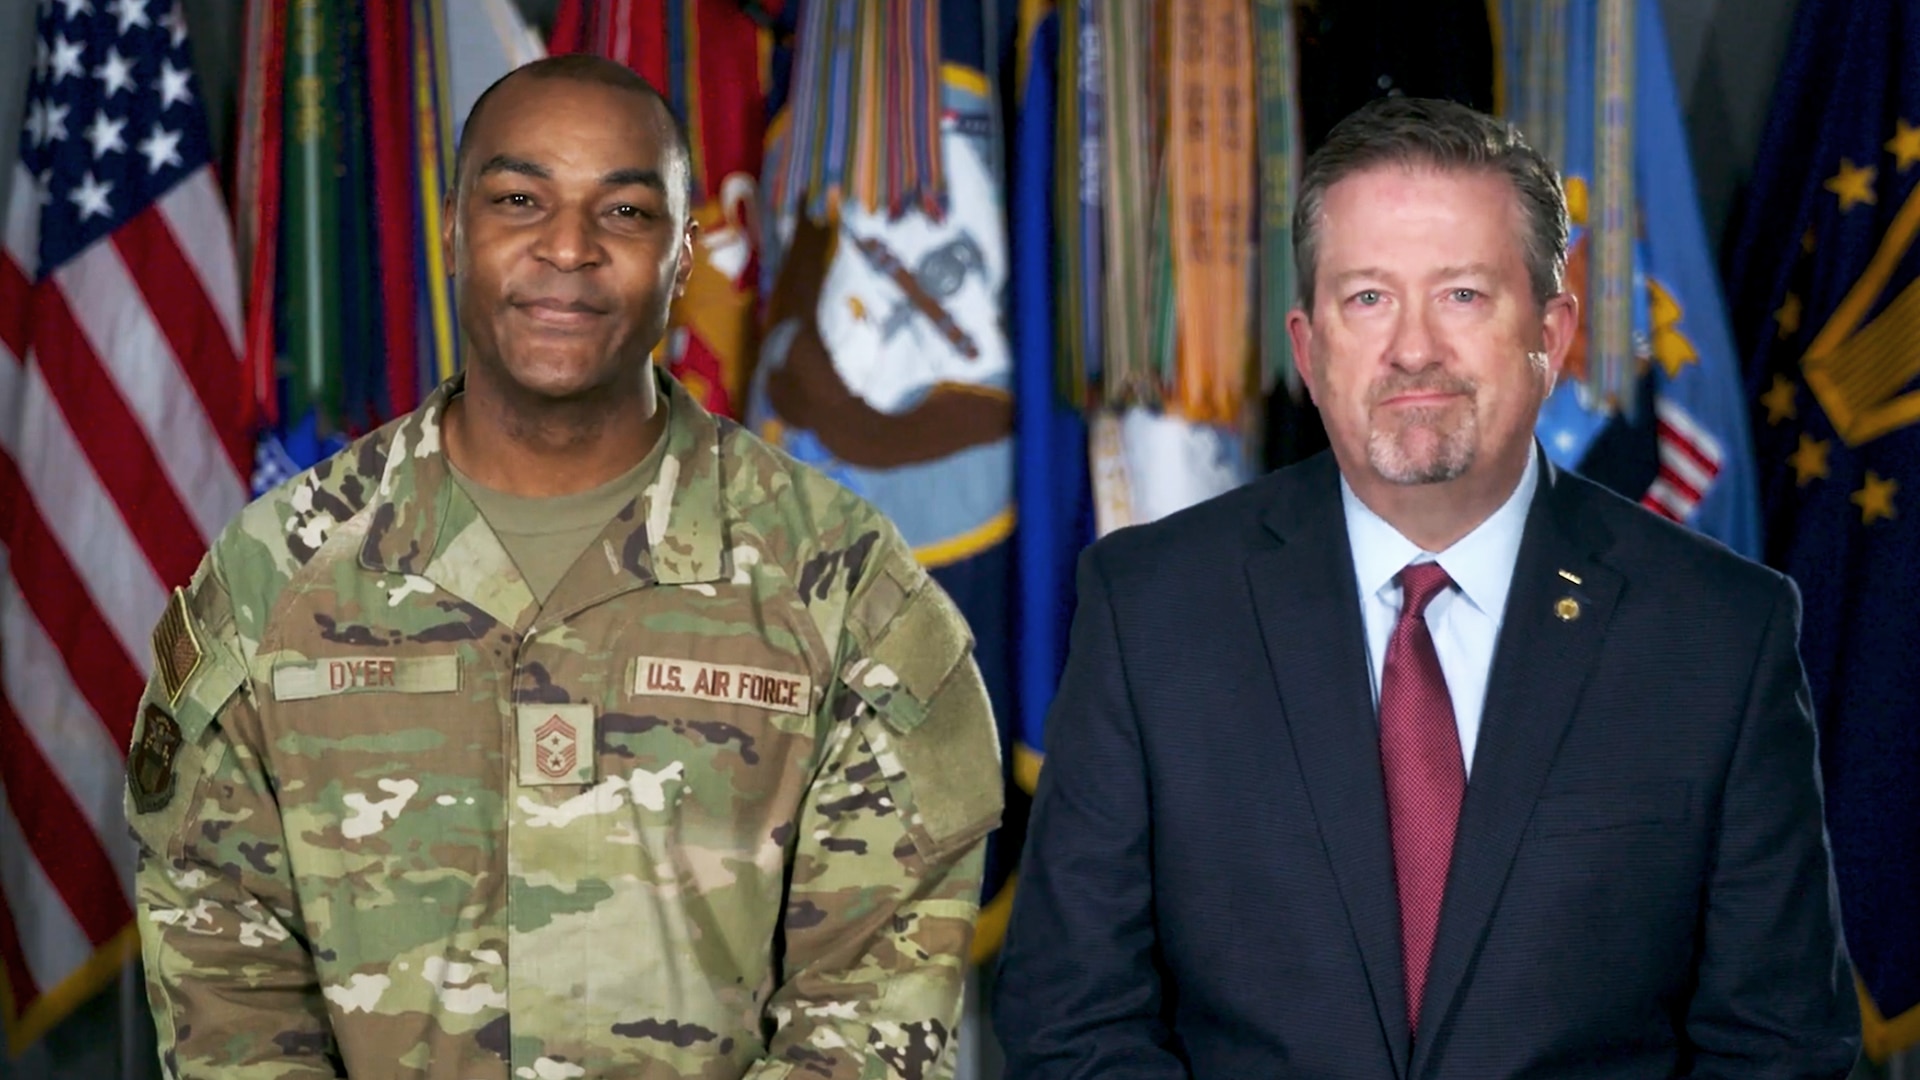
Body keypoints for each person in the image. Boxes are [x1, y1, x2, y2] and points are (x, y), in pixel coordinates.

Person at [126, 55, 1002, 1080]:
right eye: (519, 199)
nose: (569, 248)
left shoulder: (841, 582)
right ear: (454, 228)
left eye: (625, 213)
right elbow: (222, 963)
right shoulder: (281, 569)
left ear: (683, 259)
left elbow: (873, 1002)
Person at [993, 96, 1859, 1079]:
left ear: (1554, 331)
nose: (1413, 349)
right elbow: (1071, 1024)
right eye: (1367, 297)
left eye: (1462, 295)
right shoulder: (1151, 610)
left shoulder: (1721, 636)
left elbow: (1779, 1050)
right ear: (1309, 348)